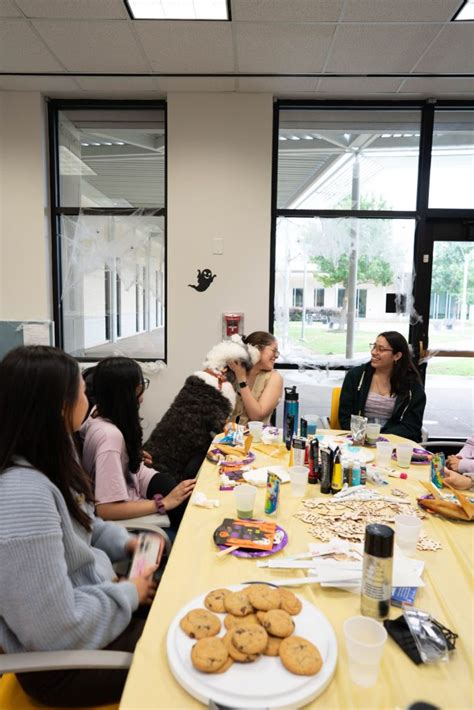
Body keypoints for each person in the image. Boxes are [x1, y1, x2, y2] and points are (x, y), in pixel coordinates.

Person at [0, 345, 157, 707]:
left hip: (94, 611)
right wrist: (129, 593)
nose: (89, 398)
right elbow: (55, 630)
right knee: (187, 650)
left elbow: (83, 521)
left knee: (182, 599)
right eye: (83, 391)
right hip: (65, 665)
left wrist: (125, 544)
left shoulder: (50, 457)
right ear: (60, 406)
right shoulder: (23, 495)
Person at [80, 357, 195, 531]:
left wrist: (129, 453)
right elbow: (105, 509)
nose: (141, 398)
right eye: (139, 387)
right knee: (188, 514)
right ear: (125, 394)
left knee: (187, 495)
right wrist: (163, 503)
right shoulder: (110, 438)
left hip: (135, 478)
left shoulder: (99, 411)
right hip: (127, 495)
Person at [338, 331, 426, 442]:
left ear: (397, 356)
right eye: (374, 347)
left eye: (381, 349)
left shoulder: (412, 386)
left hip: (394, 442)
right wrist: (364, 436)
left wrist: (380, 437)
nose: (374, 352)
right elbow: (345, 417)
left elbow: (411, 427)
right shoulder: (356, 376)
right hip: (359, 439)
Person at [227, 331, 283, 426]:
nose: (276, 356)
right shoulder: (235, 370)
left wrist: (241, 379)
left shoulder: (274, 378)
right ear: (256, 349)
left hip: (256, 434)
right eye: (273, 351)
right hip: (227, 433)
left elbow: (256, 416)